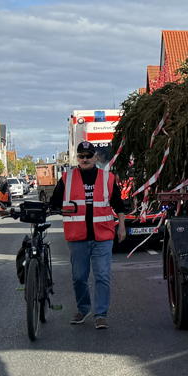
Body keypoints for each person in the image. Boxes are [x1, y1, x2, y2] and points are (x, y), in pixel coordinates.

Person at [49, 141, 128, 329]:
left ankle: (101, 314)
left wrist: (122, 227)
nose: (84, 159)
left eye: (88, 156)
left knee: (102, 276)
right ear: (77, 158)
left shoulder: (107, 178)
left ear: (95, 157)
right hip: (77, 237)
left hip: (103, 236)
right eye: (81, 156)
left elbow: (119, 205)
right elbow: (54, 203)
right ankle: (83, 309)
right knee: (79, 277)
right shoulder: (67, 178)